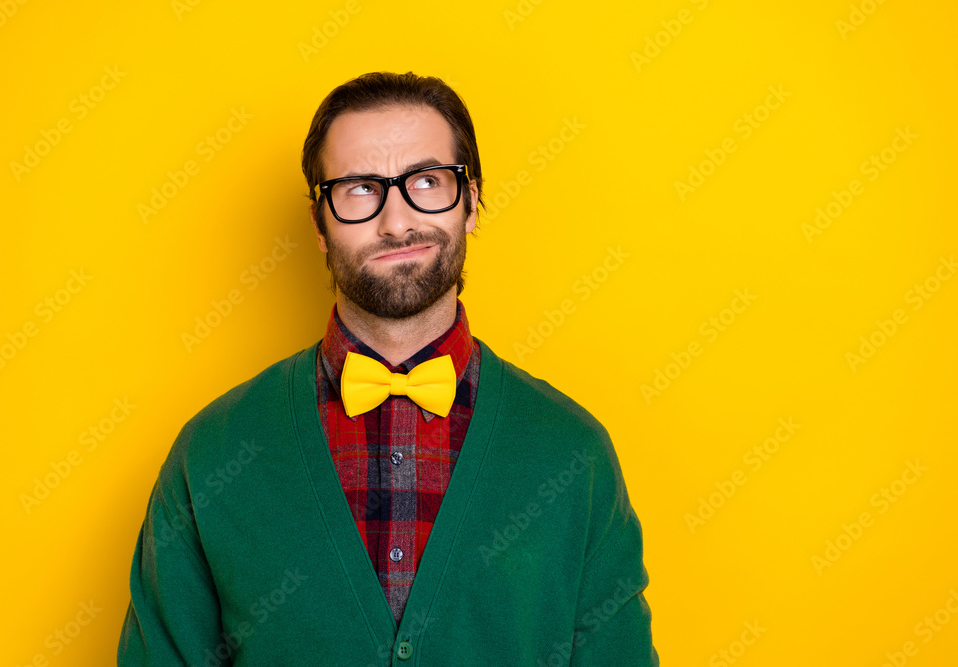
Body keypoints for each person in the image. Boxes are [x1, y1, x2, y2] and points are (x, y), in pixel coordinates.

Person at [117, 71, 658, 666]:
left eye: (428, 181)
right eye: (359, 189)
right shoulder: (212, 455)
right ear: (319, 224)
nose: (397, 222)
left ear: (472, 202)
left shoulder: (573, 455)